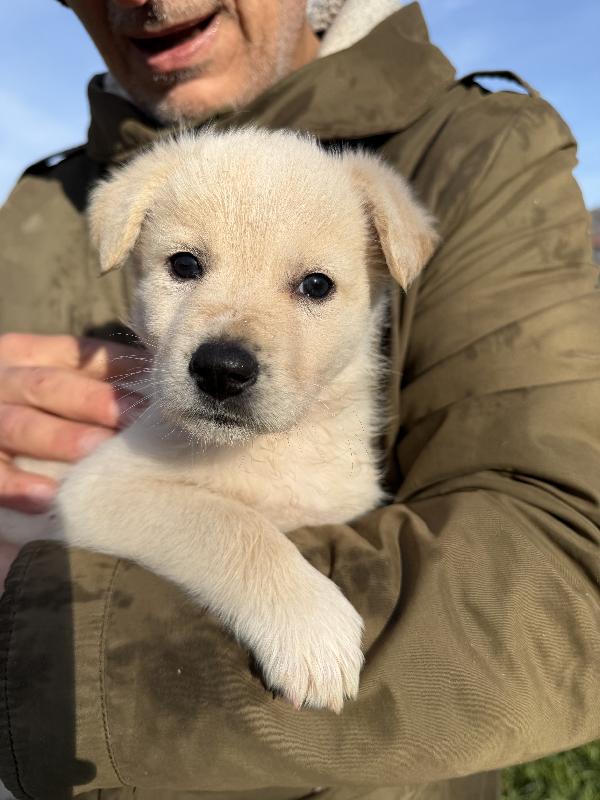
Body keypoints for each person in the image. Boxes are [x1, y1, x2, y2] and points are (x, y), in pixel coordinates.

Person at [0, 1, 598, 799]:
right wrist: (263, 575)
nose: (228, 344)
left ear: (380, 280)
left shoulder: (478, 153)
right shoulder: (44, 203)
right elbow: (112, 498)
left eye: (312, 285)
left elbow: (563, 562)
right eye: (185, 266)